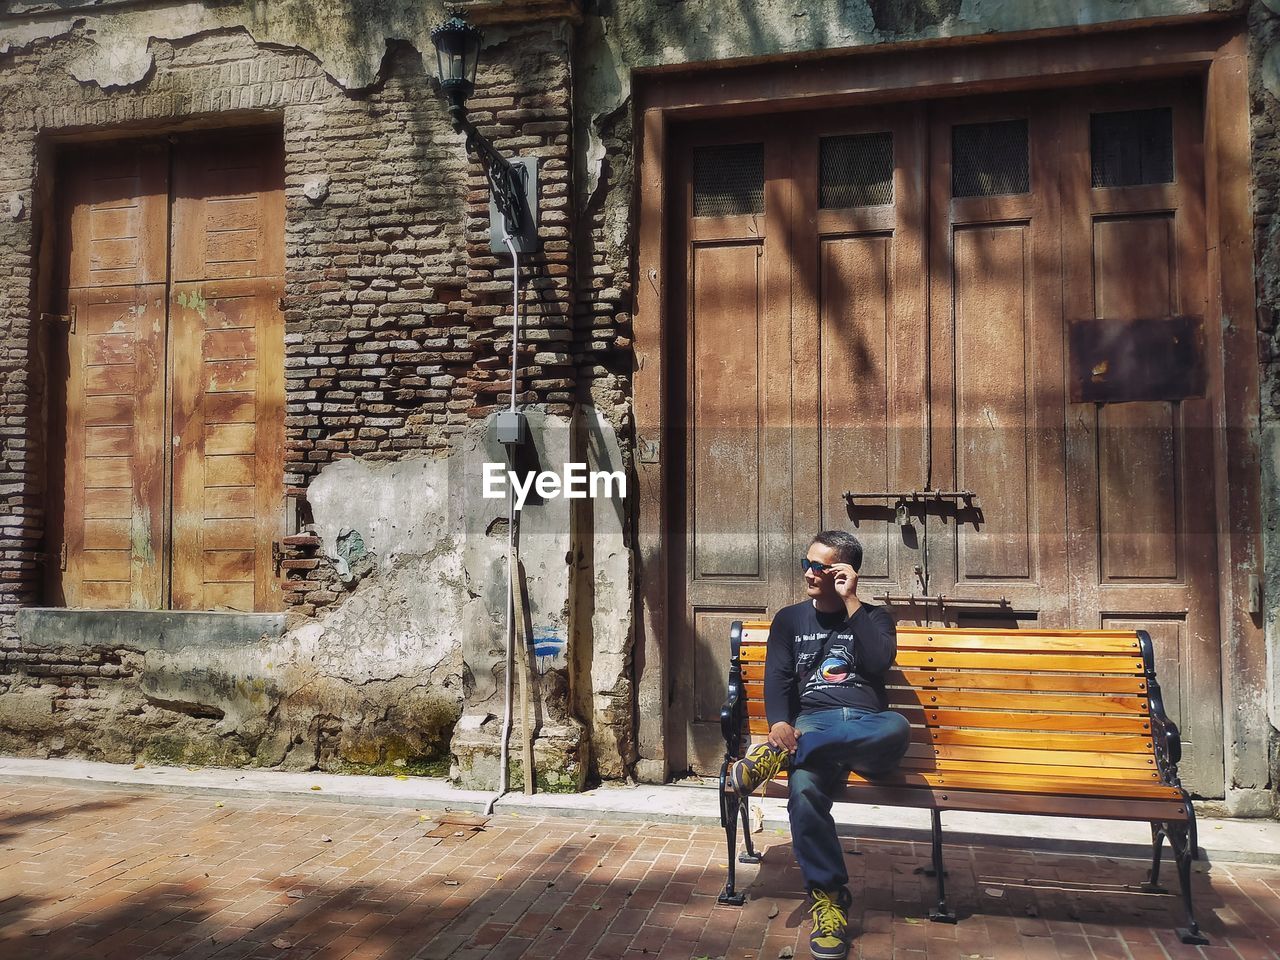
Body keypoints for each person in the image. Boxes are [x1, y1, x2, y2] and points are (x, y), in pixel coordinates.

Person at [729, 530, 911, 960]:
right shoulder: (790, 620)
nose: (809, 573)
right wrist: (778, 724)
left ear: (845, 573)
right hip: (812, 722)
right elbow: (778, 678)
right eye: (807, 563)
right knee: (804, 790)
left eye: (820, 566)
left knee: (898, 726)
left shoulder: (875, 617)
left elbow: (877, 661)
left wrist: (852, 604)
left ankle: (783, 758)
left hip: (869, 726)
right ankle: (829, 899)